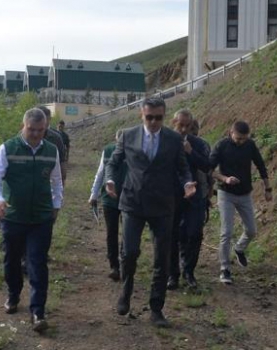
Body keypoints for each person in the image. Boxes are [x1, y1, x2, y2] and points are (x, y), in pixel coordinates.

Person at [105, 97, 196, 328]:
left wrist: (187, 184)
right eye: (149, 117)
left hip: (163, 205)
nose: (154, 122)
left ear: (164, 117)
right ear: (141, 116)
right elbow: (113, 163)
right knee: (130, 252)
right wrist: (110, 180)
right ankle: (126, 292)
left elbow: (183, 169)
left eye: (159, 117)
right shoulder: (128, 135)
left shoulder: (174, 139)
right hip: (133, 202)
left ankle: (157, 308)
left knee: (162, 257)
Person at [0, 108, 63, 332]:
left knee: (38, 262)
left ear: (46, 128)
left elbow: (57, 180)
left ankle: (38, 312)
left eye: (41, 130)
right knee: (12, 260)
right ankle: (13, 295)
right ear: (23, 126)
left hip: (41, 217)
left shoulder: (51, 151)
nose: (37, 134)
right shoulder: (8, 148)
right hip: (13, 216)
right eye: (32, 130)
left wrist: (56, 204)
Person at [209, 121, 272, 285]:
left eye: (244, 139)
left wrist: (267, 188)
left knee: (251, 230)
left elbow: (260, 165)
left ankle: (239, 248)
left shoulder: (250, 145)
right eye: (238, 138)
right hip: (225, 193)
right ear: (231, 132)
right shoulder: (221, 146)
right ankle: (225, 268)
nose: (241, 142)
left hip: (245, 193)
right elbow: (209, 169)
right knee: (226, 232)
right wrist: (225, 179)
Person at [167, 109, 210, 290]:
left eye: (188, 126)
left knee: (194, 233)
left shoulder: (199, 144)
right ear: (173, 123)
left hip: (194, 196)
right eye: (180, 125)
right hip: (171, 196)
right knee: (171, 235)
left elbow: (207, 166)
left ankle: (189, 271)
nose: (184, 129)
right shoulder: (164, 142)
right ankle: (172, 274)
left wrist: (190, 152)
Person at [89, 130, 128, 281]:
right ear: (115, 140)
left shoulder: (134, 152)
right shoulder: (107, 151)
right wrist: (94, 194)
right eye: (119, 142)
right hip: (109, 199)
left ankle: (125, 263)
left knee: (127, 234)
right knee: (111, 232)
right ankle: (114, 266)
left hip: (128, 200)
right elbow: (100, 174)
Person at [38, 106, 68, 185]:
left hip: (49, 178)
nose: (43, 122)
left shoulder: (56, 137)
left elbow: (62, 159)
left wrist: (63, 177)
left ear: (49, 119)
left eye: (45, 119)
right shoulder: (24, 135)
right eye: (40, 118)